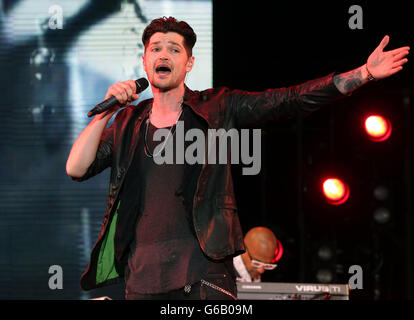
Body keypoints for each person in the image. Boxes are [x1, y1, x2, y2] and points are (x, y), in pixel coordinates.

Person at [66, 17, 409, 300]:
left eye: (174, 49)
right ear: (144, 61)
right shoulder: (127, 122)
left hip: (203, 276)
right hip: (142, 280)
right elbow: (76, 168)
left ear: (189, 63)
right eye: (155, 48)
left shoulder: (217, 106)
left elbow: (287, 100)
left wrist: (362, 74)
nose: (163, 55)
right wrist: (104, 113)